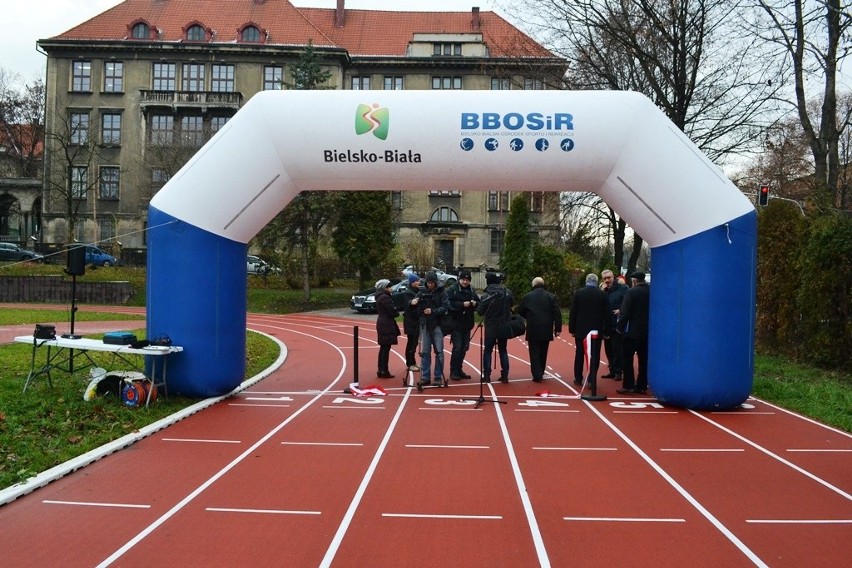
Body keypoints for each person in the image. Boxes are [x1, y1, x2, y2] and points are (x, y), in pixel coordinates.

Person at [568, 273, 611, 388]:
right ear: (597, 282)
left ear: (586, 281)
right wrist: (607, 331)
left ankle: (578, 377)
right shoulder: (603, 295)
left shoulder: (579, 293)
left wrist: (572, 328)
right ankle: (592, 379)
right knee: (595, 355)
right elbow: (608, 314)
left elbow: (573, 312)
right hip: (596, 330)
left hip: (581, 329)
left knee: (579, 354)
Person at [518, 276, 562, 382]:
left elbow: (520, 310)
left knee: (534, 352)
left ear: (533, 285)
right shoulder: (551, 296)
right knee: (543, 351)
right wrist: (557, 328)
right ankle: (541, 371)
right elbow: (557, 313)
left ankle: (536, 374)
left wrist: (528, 316)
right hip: (546, 327)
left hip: (533, 327)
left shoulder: (528, 296)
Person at [414, 270, 450, 386]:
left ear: (435, 282)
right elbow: (416, 305)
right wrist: (413, 303)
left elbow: (445, 307)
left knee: (439, 352)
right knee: (425, 352)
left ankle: (438, 376)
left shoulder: (442, 292)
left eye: (432, 282)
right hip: (425, 324)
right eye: (428, 282)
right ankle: (425, 376)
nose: (430, 284)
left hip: (437, 324)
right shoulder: (422, 291)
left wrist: (433, 311)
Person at [617, 271, 651, 395]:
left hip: (631, 331)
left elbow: (625, 312)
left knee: (627, 358)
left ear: (634, 281)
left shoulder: (631, 292)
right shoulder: (651, 291)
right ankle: (642, 386)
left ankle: (628, 385)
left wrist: (620, 328)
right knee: (644, 359)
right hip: (647, 332)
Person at [477, 272, 514, 383]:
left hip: (491, 326)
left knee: (488, 350)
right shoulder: (507, 293)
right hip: (504, 325)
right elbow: (511, 304)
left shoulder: (486, 296)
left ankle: (487, 375)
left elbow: (480, 312)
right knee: (503, 350)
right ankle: (505, 375)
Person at [446, 269, 479, 380]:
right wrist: (461, 305)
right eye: (463, 280)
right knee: (457, 347)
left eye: (467, 280)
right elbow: (448, 304)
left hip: (467, 323)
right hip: (456, 323)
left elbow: (478, 303)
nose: (465, 282)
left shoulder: (472, 290)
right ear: (459, 279)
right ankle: (453, 371)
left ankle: (459, 369)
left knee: (464, 348)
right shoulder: (452, 289)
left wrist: (474, 304)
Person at [600, 269, 628, 380]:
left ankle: (618, 371)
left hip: (617, 323)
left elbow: (628, 303)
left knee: (617, 348)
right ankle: (611, 369)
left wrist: (620, 310)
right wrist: (602, 291)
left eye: (609, 277)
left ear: (613, 277)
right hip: (606, 324)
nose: (607, 280)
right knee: (608, 348)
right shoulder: (603, 290)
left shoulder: (623, 289)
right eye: (605, 278)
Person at [374, 279, 400, 379]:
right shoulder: (385, 298)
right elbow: (393, 311)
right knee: (386, 348)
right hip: (386, 324)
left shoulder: (380, 296)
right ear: (385, 288)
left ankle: (381, 369)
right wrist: (395, 310)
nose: (391, 288)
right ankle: (384, 370)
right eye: (389, 287)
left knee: (383, 348)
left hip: (383, 323)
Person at [401, 272, 422, 371]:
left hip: (415, 322)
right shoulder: (408, 293)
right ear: (412, 282)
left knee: (414, 343)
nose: (419, 282)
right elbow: (410, 308)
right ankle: (410, 363)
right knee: (411, 343)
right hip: (411, 322)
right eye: (417, 281)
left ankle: (412, 362)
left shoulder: (417, 291)